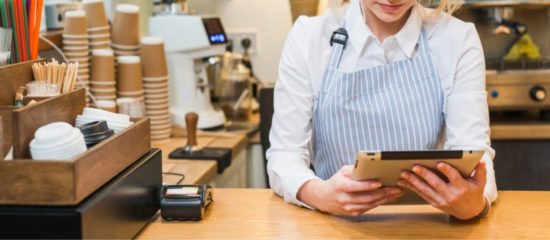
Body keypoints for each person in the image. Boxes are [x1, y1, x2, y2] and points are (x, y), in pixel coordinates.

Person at [267, 0, 497, 220]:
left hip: (426, 225)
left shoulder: (457, 38)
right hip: (333, 224)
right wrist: (319, 194)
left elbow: (474, 153)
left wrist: (475, 204)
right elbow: (285, 156)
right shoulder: (308, 37)